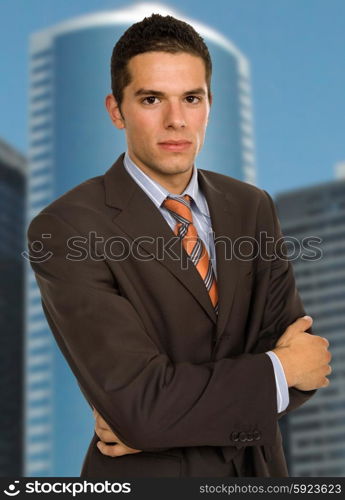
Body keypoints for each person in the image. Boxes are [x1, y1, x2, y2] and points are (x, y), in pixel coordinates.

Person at [27, 14, 331, 477]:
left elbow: (306, 365)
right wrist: (275, 373)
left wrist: (163, 422)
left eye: (191, 98)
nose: (176, 120)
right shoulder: (66, 229)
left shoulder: (251, 206)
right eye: (152, 99)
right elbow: (142, 406)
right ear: (116, 110)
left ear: (210, 104)